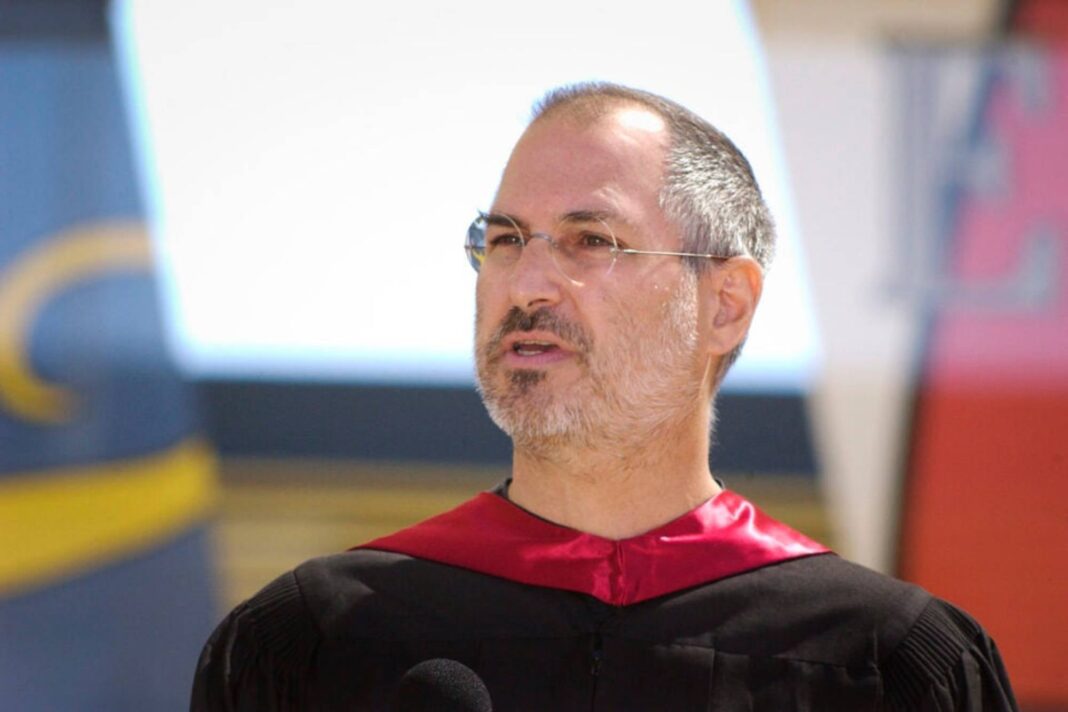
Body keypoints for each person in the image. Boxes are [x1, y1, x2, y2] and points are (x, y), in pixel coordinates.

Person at [191, 83, 1018, 711]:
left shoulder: (887, 664)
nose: (527, 283)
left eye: (591, 240)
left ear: (725, 305)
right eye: (505, 239)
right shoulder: (312, 644)